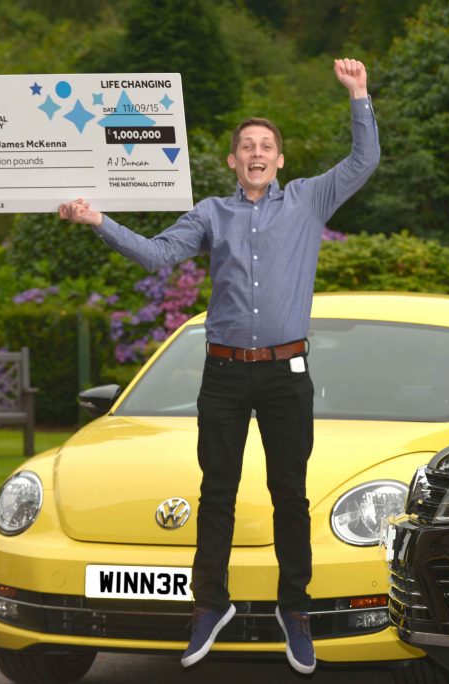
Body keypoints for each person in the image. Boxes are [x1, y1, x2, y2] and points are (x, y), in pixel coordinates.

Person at [58, 58, 379, 675]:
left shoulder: (310, 199)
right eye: (246, 147)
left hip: (286, 374)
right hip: (225, 374)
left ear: (280, 160)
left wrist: (358, 94)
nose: (256, 153)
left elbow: (363, 162)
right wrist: (99, 221)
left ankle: (296, 608)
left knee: (290, 493)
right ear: (233, 161)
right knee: (217, 492)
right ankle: (211, 605)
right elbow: (156, 258)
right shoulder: (211, 213)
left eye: (266, 146)